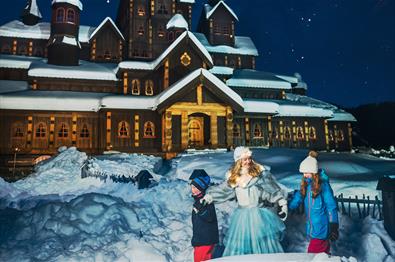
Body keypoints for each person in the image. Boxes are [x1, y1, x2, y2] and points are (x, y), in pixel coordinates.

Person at [201, 147, 288, 256]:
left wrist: (282, 203)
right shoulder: (234, 178)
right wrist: (210, 197)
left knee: (262, 244)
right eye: (244, 159)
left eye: (249, 158)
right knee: (242, 244)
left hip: (259, 216)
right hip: (242, 217)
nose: (248, 161)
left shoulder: (258, 175)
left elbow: (270, 191)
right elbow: (223, 190)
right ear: (238, 161)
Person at [288, 151, 339, 254]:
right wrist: (289, 206)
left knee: (313, 254)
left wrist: (333, 225)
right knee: (322, 255)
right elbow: (298, 197)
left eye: (307, 172)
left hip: (321, 228)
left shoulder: (323, 186)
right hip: (313, 227)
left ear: (314, 172)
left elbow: (331, 206)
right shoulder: (306, 185)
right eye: (303, 173)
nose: (305, 175)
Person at [189, 169, 219, 262]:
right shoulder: (199, 200)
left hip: (205, 240)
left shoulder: (206, 200)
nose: (192, 190)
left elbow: (210, 217)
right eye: (192, 187)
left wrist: (200, 210)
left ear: (201, 187)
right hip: (200, 239)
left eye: (195, 187)